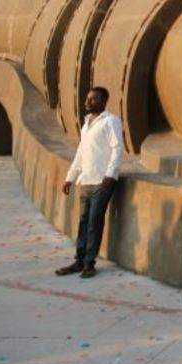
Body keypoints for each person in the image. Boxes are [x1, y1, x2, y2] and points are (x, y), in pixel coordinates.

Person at [56, 87, 123, 279]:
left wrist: (110, 174)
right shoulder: (86, 124)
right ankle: (79, 261)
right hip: (86, 180)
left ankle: (89, 263)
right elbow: (80, 153)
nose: (88, 102)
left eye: (93, 99)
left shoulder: (111, 121)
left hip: (102, 182)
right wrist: (70, 177)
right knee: (83, 222)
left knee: (94, 222)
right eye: (87, 98)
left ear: (103, 101)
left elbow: (117, 148)